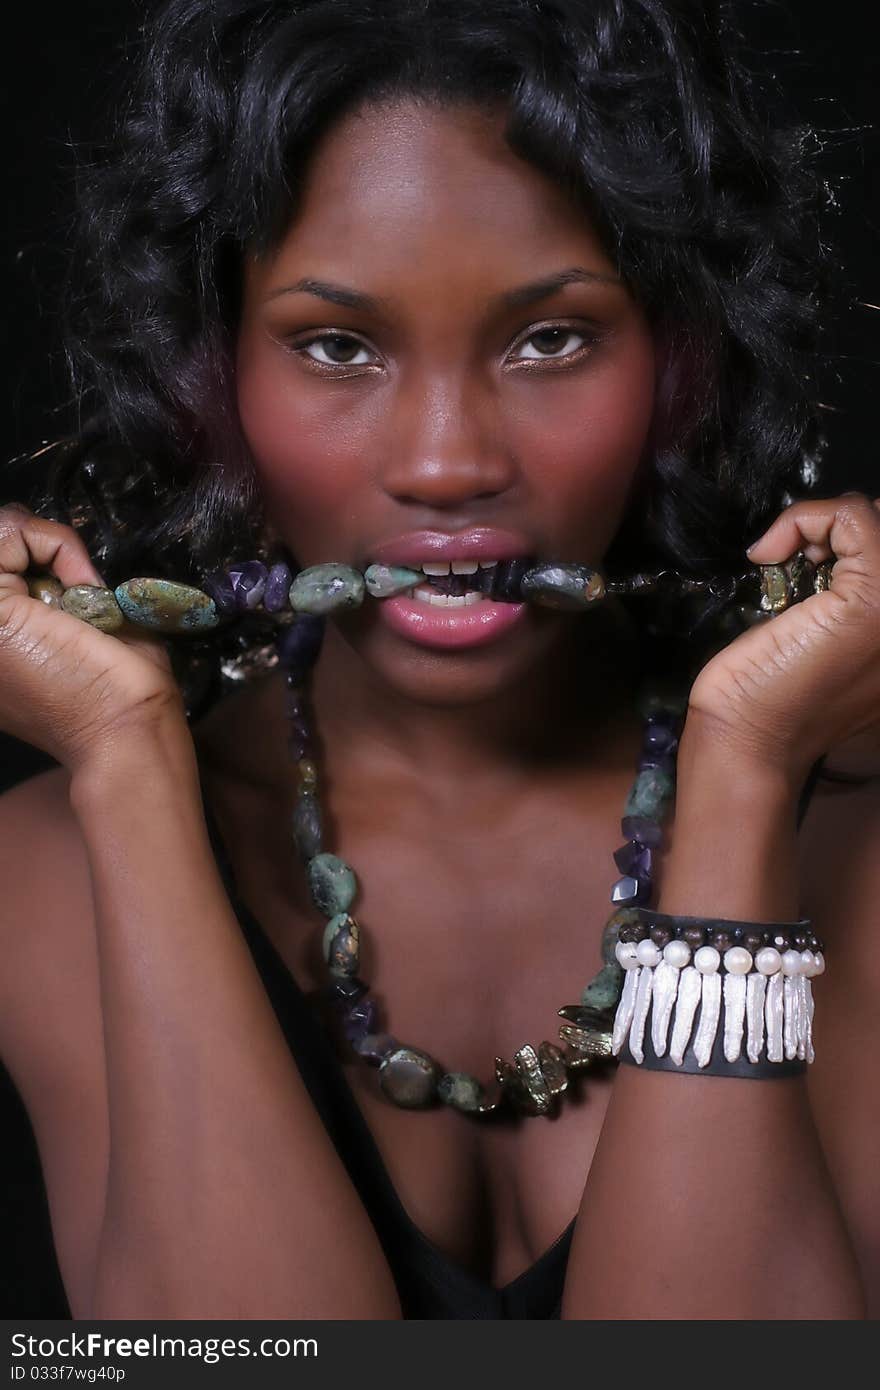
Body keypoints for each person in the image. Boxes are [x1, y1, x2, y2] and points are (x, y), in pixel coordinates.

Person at [0, 0, 878, 1321]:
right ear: (216, 370)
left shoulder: (855, 840)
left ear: (681, 359)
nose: (447, 462)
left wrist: (749, 772)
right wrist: (124, 767)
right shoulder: (36, 866)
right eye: (337, 345)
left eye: (551, 338)